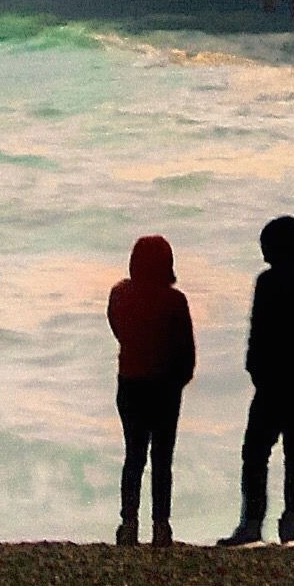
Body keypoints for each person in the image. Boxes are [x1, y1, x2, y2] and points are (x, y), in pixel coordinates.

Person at [216, 215, 294, 546]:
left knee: (256, 452)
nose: (263, 251)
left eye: (266, 244)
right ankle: (290, 528)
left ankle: (252, 524)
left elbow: (257, 337)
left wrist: (257, 370)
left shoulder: (268, 283)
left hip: (274, 383)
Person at [106, 234, 194, 547]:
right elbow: (186, 350)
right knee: (161, 459)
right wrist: (180, 379)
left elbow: (117, 329)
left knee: (134, 456)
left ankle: (128, 523)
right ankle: (161, 526)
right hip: (165, 386)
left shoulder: (119, 295)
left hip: (129, 381)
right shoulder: (175, 300)